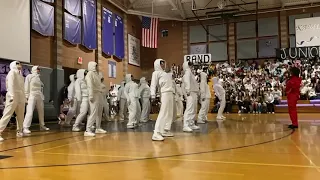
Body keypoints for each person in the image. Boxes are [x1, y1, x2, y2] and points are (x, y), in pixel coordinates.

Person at [0, 61, 25, 141]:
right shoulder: (12, 73)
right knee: (7, 114)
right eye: (17, 64)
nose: (20, 65)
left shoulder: (20, 75)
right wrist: (11, 95)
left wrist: (24, 98)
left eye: (20, 64)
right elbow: (10, 85)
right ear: (14, 65)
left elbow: (22, 88)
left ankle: (20, 130)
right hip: (13, 95)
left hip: (20, 96)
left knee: (20, 115)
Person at [150, 59, 174, 141]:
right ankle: (156, 133)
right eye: (161, 64)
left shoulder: (165, 73)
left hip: (170, 93)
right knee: (163, 113)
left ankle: (165, 130)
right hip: (164, 93)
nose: (163, 65)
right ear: (158, 64)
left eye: (164, 63)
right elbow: (153, 84)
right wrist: (152, 94)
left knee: (170, 113)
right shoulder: (156, 73)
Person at [23, 66, 49, 134]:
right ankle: (25, 127)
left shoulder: (38, 78)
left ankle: (42, 125)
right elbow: (26, 86)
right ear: (34, 69)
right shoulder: (29, 76)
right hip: (32, 95)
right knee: (30, 111)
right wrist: (26, 96)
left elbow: (41, 87)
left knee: (41, 110)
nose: (39, 70)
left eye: (39, 69)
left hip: (39, 95)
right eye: (37, 69)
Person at [85, 61, 106, 137]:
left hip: (99, 94)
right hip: (93, 94)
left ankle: (98, 127)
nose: (97, 67)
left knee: (99, 111)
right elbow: (90, 85)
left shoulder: (96, 74)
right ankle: (88, 129)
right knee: (93, 112)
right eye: (95, 66)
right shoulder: (89, 74)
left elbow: (99, 85)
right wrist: (90, 95)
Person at [182, 61, 200, 132]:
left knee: (194, 109)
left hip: (194, 92)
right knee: (189, 109)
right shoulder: (187, 72)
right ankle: (185, 125)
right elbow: (186, 81)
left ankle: (191, 124)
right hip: (190, 92)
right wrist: (188, 90)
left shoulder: (190, 72)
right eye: (189, 65)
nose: (191, 66)